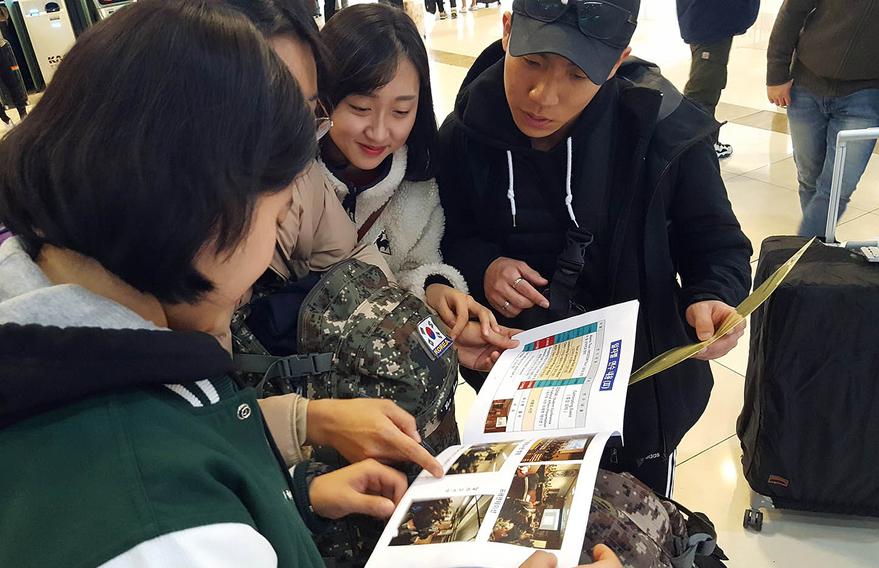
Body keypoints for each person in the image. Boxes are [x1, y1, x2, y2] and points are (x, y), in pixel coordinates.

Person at [0, 2, 409, 566]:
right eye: (276, 210)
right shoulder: (161, 523)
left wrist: (290, 497)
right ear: (209, 197)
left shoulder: (44, 311)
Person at [438, 0, 752, 494]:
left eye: (577, 73)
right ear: (507, 31)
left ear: (616, 60)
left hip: (637, 394)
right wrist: (484, 266)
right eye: (532, 61)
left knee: (639, 527)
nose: (543, 95)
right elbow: (447, 236)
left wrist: (711, 295)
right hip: (516, 390)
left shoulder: (667, 132)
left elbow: (717, 244)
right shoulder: (463, 132)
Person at [218, 0, 447, 478]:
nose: (379, 130)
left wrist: (432, 307)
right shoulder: (202, 221)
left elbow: (361, 265)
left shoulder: (304, 183)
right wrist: (306, 430)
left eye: (303, 109)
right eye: (359, 107)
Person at [317, 3, 517, 355]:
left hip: (392, 375)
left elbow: (417, 264)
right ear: (321, 94)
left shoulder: (416, 185)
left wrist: (436, 289)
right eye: (360, 108)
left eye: (401, 111)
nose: (379, 132)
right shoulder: (287, 181)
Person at [766, 0, 879, 237]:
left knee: (837, 189)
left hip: (866, 93)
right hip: (806, 83)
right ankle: (819, 245)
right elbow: (792, 11)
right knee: (809, 177)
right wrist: (776, 73)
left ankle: (805, 253)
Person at [676, 0, 759, 159]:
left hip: (706, 20)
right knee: (704, 88)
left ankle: (702, 143)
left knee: (708, 83)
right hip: (710, 23)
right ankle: (696, 148)